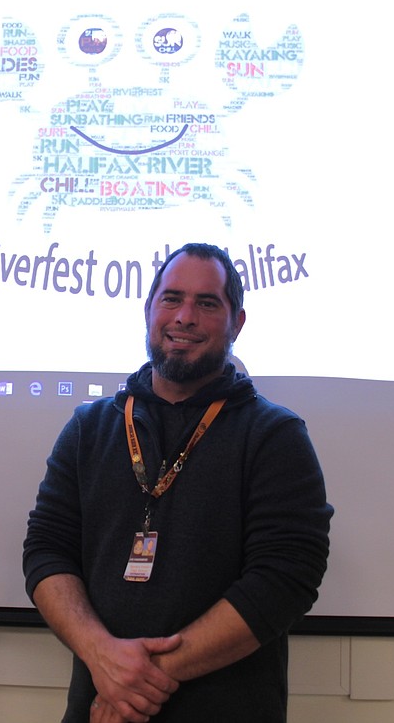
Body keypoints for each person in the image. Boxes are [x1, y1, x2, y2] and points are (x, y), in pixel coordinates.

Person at [23, 243, 332, 723]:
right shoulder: (89, 428)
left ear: (238, 322)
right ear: (148, 309)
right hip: (99, 708)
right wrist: (100, 654)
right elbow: (46, 550)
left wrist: (135, 679)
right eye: (171, 298)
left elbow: (285, 580)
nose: (185, 316)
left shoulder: (274, 435)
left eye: (208, 303)